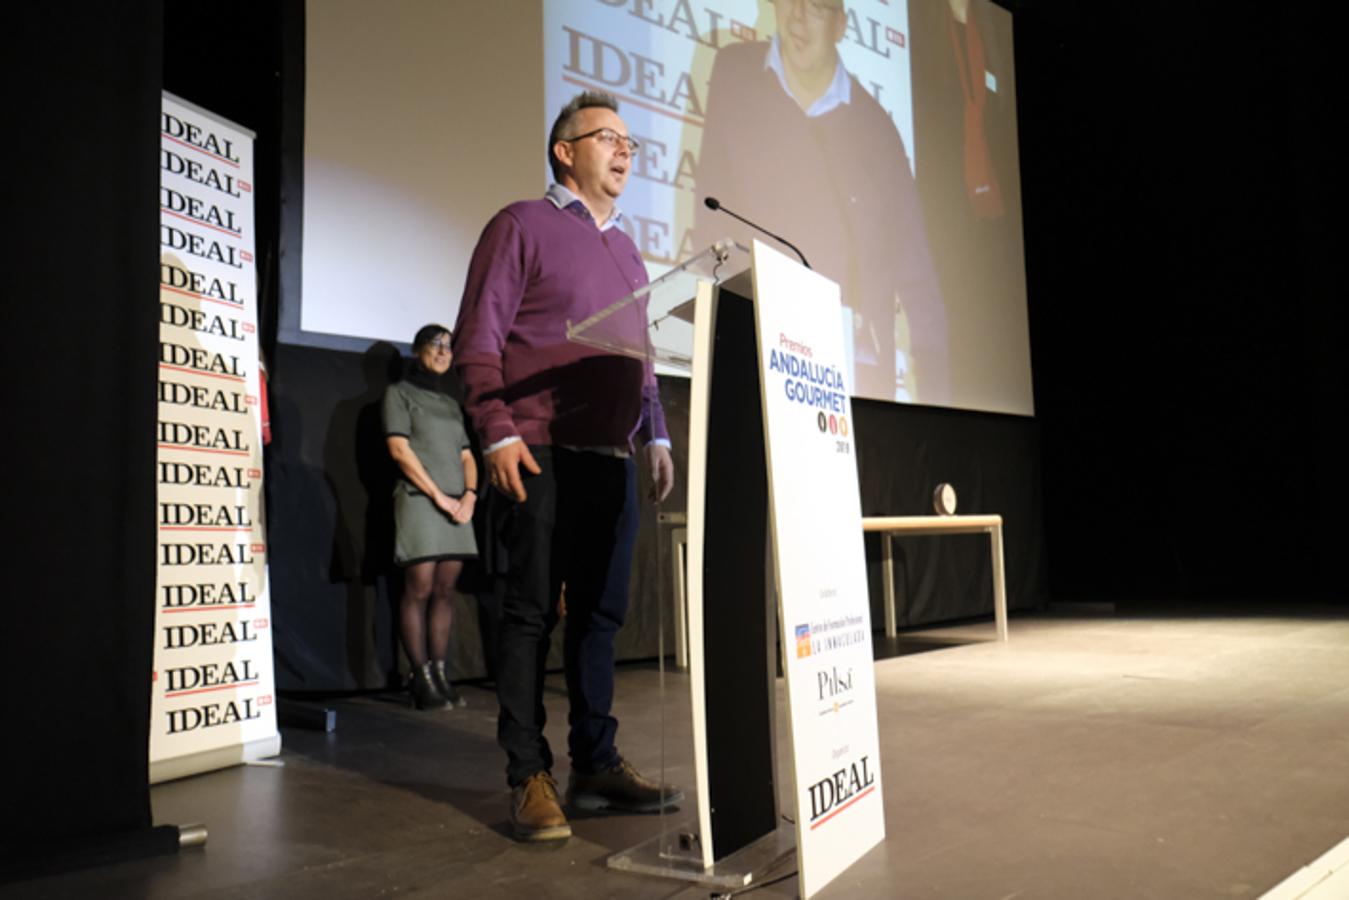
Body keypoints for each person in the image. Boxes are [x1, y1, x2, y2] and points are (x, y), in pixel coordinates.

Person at [452, 91, 681, 842]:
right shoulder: (522, 224)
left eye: (630, 143)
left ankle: (596, 760)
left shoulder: (629, 249)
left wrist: (655, 434)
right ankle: (528, 775)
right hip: (537, 445)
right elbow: (477, 340)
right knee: (526, 615)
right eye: (607, 138)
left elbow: (639, 357)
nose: (624, 151)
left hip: (608, 454)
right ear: (564, 150)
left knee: (600, 616)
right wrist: (495, 432)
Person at [691, 0, 950, 404]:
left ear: (841, 25)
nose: (797, 15)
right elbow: (710, 214)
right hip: (756, 352)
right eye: (790, 0)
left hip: (850, 378)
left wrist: (936, 389)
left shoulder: (877, 128)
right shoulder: (735, 74)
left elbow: (916, 270)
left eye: (815, 7)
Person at [383, 324, 478, 710]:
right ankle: (419, 678)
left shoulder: (451, 404)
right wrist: (440, 496)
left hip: (458, 506)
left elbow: (467, 456)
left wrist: (470, 496)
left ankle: (440, 673)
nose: (443, 351)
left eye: (449, 346)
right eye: (435, 344)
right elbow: (399, 451)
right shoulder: (398, 394)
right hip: (421, 501)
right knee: (419, 587)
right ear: (418, 349)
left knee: (445, 590)